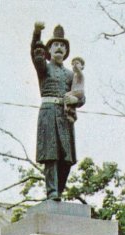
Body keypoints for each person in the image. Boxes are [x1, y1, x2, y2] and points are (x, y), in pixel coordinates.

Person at [31, 22, 85, 201]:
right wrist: (37, 33)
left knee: (66, 158)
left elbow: (81, 95)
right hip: (48, 113)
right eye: (56, 45)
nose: (59, 48)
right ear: (50, 49)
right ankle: (52, 191)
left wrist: (75, 100)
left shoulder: (71, 75)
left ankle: (59, 191)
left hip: (65, 117)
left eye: (63, 46)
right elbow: (35, 53)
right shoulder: (44, 68)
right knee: (51, 155)